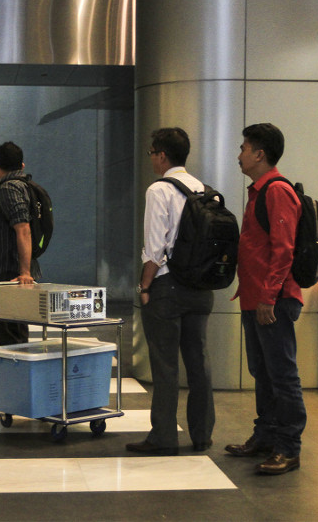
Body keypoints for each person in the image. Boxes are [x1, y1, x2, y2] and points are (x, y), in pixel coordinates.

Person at [125, 127, 215, 456]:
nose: (151, 158)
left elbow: (154, 248)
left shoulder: (159, 190)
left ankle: (164, 436)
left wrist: (144, 285)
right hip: (201, 288)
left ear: (162, 155)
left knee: (165, 365)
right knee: (198, 361)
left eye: (152, 153)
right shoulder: (205, 190)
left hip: (167, 287)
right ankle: (202, 435)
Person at [226, 122, 306, 475]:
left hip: (272, 301)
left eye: (244, 148)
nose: (239, 154)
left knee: (282, 375)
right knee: (262, 372)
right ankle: (266, 436)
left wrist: (268, 298)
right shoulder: (259, 192)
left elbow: (283, 250)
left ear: (260, 154)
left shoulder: (277, 191)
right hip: (255, 298)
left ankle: (288, 448)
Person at [0, 141, 42, 416]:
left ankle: (8, 400)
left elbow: (23, 229)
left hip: (11, 276)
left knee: (8, 341)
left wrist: (25, 273)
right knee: (14, 338)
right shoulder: (23, 186)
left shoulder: (9, 188)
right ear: (22, 165)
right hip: (14, 274)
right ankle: (14, 396)